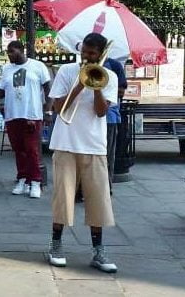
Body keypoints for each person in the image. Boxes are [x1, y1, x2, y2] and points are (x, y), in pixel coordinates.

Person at [47, 33, 119, 273]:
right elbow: (58, 108)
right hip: (65, 142)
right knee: (63, 198)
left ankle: (98, 252)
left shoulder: (110, 77)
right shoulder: (67, 71)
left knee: (98, 199)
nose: (87, 57)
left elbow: (101, 112)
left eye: (92, 54)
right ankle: (56, 245)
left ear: (100, 55)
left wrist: (96, 86)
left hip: (94, 144)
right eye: (84, 52)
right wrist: (80, 84)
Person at [0, 40, 52, 198]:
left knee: (32, 150)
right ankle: (22, 179)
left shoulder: (37, 66)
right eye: (7, 52)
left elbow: (49, 88)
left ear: (21, 50)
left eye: (12, 51)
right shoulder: (7, 69)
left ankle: (35, 181)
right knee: (18, 149)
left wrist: (48, 110)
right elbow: (1, 92)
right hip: (12, 114)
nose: (9, 55)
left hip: (31, 114)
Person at [103, 58, 128, 191]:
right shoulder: (84, 66)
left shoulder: (114, 65)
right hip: (89, 118)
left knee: (107, 154)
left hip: (109, 117)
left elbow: (121, 91)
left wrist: (103, 86)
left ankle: (107, 186)